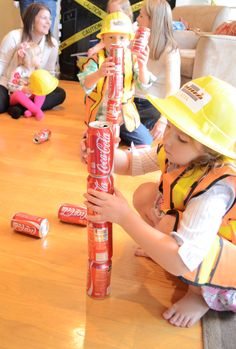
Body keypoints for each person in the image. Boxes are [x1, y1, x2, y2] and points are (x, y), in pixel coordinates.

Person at [83, 75, 236, 327]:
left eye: (182, 138)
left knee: (176, 240)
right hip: (186, 237)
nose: (168, 140)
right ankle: (159, 247)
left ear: (211, 151)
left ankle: (200, 296)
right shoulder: (179, 152)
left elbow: (183, 259)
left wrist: (124, 218)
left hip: (221, 258)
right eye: (170, 128)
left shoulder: (216, 191)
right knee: (145, 193)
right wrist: (101, 154)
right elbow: (133, 162)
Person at [78, 11, 155, 147]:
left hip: (124, 115)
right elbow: (85, 84)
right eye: (111, 38)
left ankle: (118, 134)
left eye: (121, 38)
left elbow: (143, 85)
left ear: (129, 40)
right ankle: (97, 133)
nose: (116, 42)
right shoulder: (96, 59)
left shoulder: (132, 58)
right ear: (103, 39)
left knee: (146, 142)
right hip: (100, 114)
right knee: (100, 148)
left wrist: (143, 67)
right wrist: (99, 73)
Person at [0, 3, 65, 119]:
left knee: (60, 94)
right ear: (31, 19)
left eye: (50, 19)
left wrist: (43, 87)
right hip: (9, 85)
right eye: (44, 18)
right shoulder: (13, 37)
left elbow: (49, 72)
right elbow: (1, 64)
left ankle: (21, 108)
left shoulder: (53, 44)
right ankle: (25, 107)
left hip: (34, 88)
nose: (49, 22)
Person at [134, 0, 181, 140]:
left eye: (141, 16)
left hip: (153, 105)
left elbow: (172, 89)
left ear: (153, 21)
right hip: (131, 100)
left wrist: (163, 120)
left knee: (147, 134)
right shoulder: (136, 41)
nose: (137, 19)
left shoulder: (170, 50)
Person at [8, 41, 45, 120]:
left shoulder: (36, 71)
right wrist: (22, 88)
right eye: (38, 56)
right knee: (18, 94)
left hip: (29, 97)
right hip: (15, 98)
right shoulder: (18, 71)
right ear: (30, 58)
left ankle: (31, 111)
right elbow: (10, 86)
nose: (41, 58)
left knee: (42, 92)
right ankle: (37, 111)